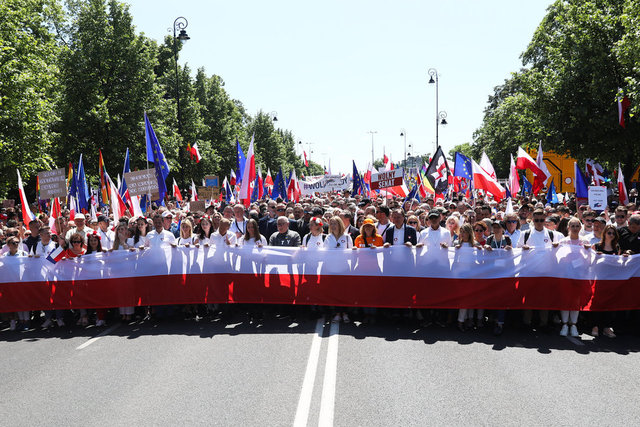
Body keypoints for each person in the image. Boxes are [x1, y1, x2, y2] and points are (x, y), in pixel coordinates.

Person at [558, 217, 591, 337]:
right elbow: (558, 257)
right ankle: (564, 324)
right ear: (568, 227)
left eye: (577, 226)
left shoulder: (585, 241)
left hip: (579, 275)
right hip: (566, 275)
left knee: (576, 300)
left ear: (580, 227)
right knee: (565, 299)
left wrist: (588, 251)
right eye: (573, 226)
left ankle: (573, 324)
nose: (575, 228)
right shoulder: (563, 241)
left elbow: (589, 259)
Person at [590, 224, 621, 338]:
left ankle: (607, 327)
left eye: (613, 233)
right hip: (599, 279)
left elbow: (618, 263)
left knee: (609, 303)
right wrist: (596, 257)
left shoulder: (617, 247)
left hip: (611, 280)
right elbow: (590, 263)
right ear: (604, 234)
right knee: (597, 302)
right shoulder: (596, 246)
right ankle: (595, 326)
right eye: (609, 233)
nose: (611, 235)